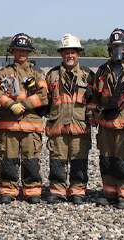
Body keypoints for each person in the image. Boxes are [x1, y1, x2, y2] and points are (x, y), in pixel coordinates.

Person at [0, 33, 49, 204]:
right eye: (18, 50)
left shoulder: (37, 73)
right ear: (12, 52)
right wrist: (11, 105)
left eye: (25, 50)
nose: (21, 53)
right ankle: (8, 190)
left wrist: (24, 104)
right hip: (8, 124)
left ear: (29, 52)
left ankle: (32, 190)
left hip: (30, 124)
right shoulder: (4, 72)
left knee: (31, 159)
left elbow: (44, 95)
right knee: (8, 159)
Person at [88, 28, 124, 209]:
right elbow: (94, 98)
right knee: (106, 160)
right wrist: (92, 115)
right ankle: (109, 193)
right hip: (105, 124)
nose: (118, 51)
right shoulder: (102, 70)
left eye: (122, 47)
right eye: (115, 47)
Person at [45, 33, 95, 205]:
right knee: (57, 159)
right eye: (66, 52)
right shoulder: (51, 75)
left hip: (80, 127)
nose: (70, 56)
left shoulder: (88, 76)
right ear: (61, 54)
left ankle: (77, 191)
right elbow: (45, 100)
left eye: (73, 52)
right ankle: (57, 191)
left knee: (79, 160)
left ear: (78, 54)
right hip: (57, 125)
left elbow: (95, 101)